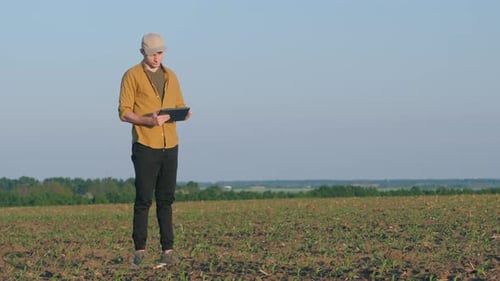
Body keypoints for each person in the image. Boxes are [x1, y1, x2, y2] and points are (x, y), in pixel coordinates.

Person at [118, 32, 191, 268]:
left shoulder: (171, 76)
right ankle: (139, 252)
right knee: (143, 200)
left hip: (170, 144)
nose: (156, 58)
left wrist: (184, 113)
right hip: (145, 144)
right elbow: (124, 112)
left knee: (166, 200)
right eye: (151, 54)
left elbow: (178, 104)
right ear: (142, 53)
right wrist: (148, 121)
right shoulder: (131, 76)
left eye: (159, 53)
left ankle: (167, 251)